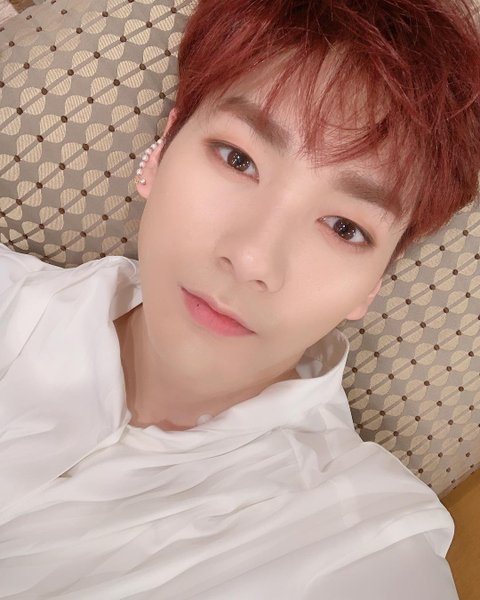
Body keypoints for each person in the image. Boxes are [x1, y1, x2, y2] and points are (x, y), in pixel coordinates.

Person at [1, 0, 479, 597]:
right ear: (162, 149)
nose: (252, 259)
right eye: (239, 159)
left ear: (372, 285)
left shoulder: (359, 542)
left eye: (344, 228)